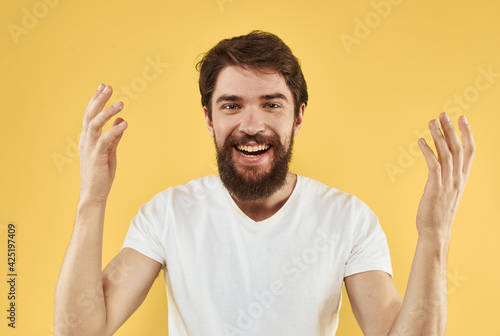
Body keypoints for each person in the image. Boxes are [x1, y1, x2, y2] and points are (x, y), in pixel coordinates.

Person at [54, 30, 476, 336]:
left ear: (298, 116)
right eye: (231, 105)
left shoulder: (348, 219)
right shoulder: (168, 214)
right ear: (208, 118)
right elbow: (77, 331)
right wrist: (92, 199)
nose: (251, 126)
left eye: (271, 104)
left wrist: (434, 235)